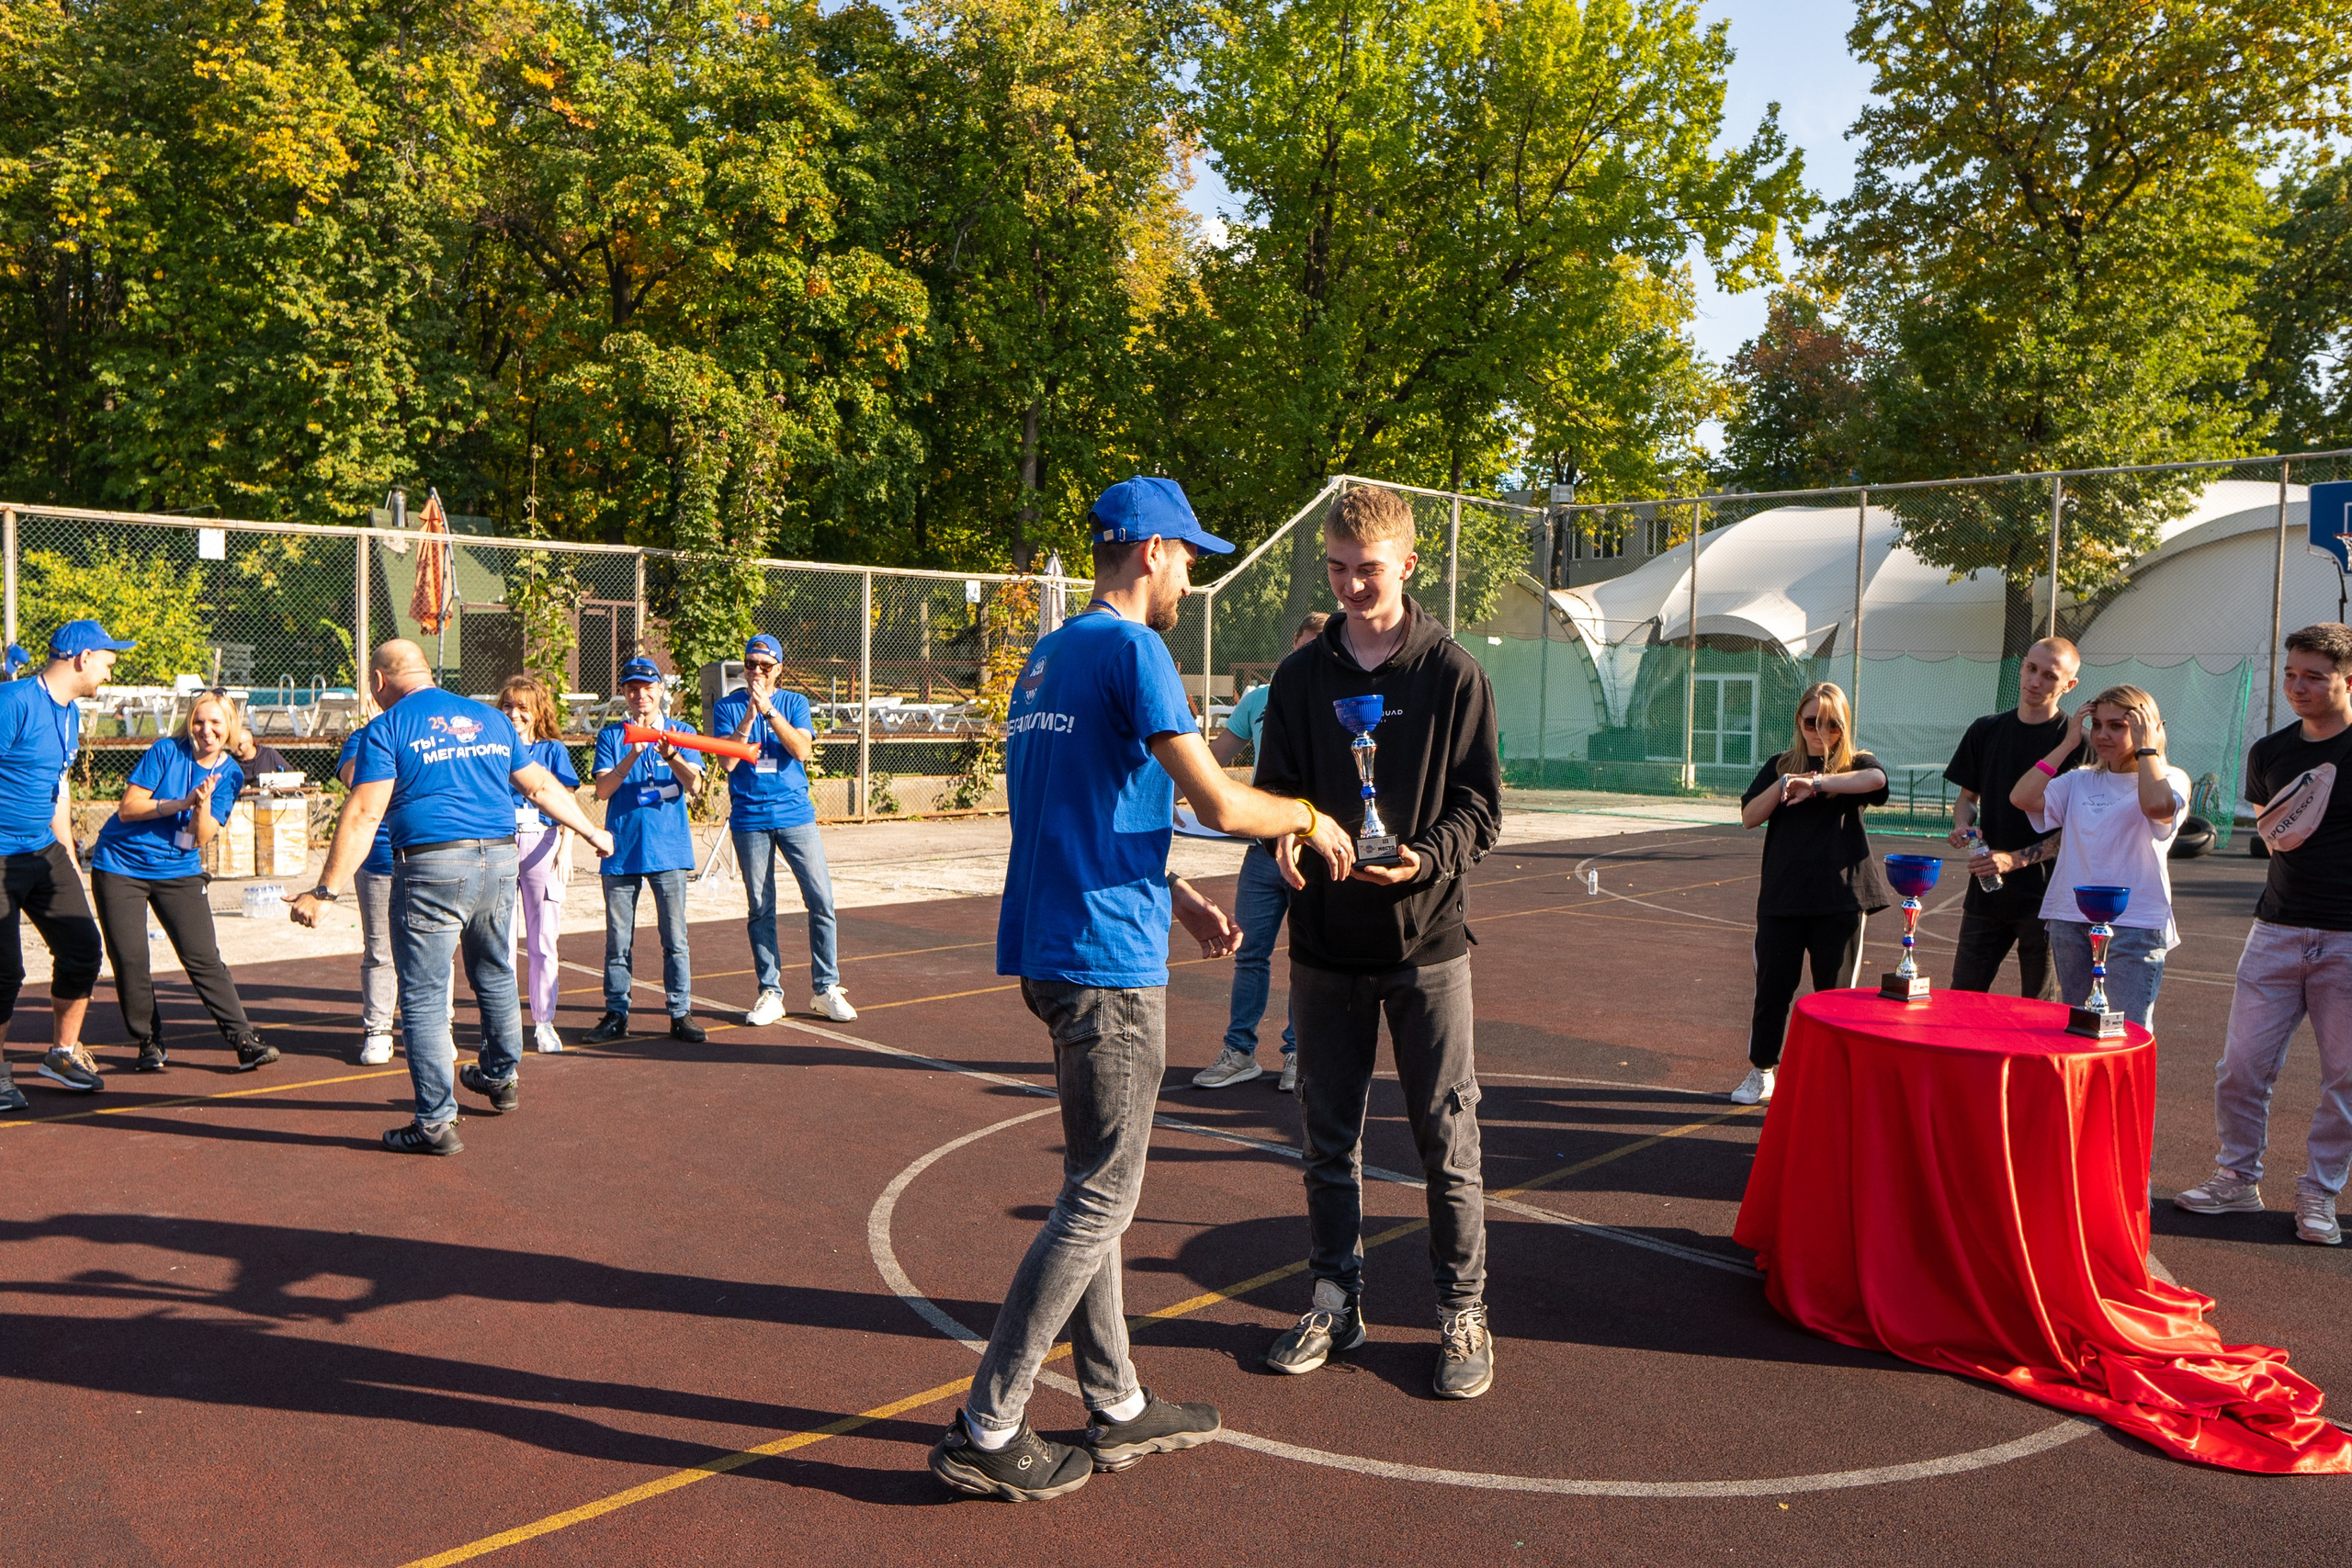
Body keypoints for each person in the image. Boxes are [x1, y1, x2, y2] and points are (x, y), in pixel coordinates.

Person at [928, 475, 1354, 1503]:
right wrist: (1307, 815)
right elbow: (1217, 799)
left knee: (1096, 1186)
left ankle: (1116, 1402)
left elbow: (1083, 811)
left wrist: (1180, 895)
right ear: (1153, 550)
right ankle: (987, 1425)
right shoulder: (1134, 651)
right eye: (1189, 557)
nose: (1191, 579)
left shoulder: (1050, 656)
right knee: (1100, 1197)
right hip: (1104, 961)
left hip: (1054, 944)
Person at [1251, 484, 1506, 1401]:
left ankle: (1462, 1311)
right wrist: (1282, 837)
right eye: (1336, 569)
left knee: (1447, 1138)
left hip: (1426, 945)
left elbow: (1481, 807)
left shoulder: (1453, 674)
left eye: (1367, 569)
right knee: (1327, 1137)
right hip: (1325, 945)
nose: (1351, 586)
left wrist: (1426, 856)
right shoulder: (1300, 678)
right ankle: (1335, 1298)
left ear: (1406, 563)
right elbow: (1275, 792)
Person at [288, 640, 613, 1154]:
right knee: (495, 973)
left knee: (422, 994)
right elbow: (540, 787)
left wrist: (325, 891)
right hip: (499, 860)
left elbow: (365, 813)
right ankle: (501, 1076)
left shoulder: (388, 727)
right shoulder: (490, 719)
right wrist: (592, 831)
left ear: (379, 682)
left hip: (431, 867)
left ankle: (435, 1122)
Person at [2176, 623, 2352, 1247]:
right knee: (2241, 1069)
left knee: (2345, 1080)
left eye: (2315, 677)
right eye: (2291, 674)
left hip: (2348, 940)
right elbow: (2276, 836)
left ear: (2348, 681)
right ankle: (2236, 1178)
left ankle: (2320, 1191)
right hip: (2275, 929)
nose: (2298, 686)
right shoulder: (2270, 752)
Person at [87, 689, 277, 1073]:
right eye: (199, 722)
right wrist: (180, 803)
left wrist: (201, 805)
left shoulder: (231, 773)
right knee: (130, 958)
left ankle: (243, 1039)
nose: (206, 730)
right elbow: (128, 808)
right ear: (190, 723)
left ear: (229, 727)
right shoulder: (166, 751)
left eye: (215, 723)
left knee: (203, 957)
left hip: (178, 869)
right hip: (120, 864)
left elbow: (199, 836)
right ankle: (148, 1041)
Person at [1731, 682, 1891, 1107]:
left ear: (1844, 725)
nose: (1820, 732)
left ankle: (1832, 1079)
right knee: (1771, 991)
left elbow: (1877, 780)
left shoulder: (1855, 764)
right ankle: (1762, 1071)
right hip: (1782, 899)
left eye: (1831, 724)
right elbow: (1749, 817)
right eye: (1811, 722)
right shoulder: (1779, 765)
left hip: (1840, 900)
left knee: (1834, 999)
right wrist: (1786, 782)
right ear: (1798, 721)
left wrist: (1817, 784)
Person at [1193, 610, 1331, 1094]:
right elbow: (1213, 760)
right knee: (1249, 951)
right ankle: (1240, 1052)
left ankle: (1298, 1052)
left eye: (1320, 648)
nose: (1310, 656)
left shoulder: (1336, 697)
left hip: (1313, 851)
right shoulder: (1259, 699)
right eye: (1305, 646)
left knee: (1306, 956)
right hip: (1262, 849)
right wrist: (1167, 794)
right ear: (1293, 646)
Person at [0, 620, 132, 1104]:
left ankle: (61, 1053)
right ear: (82, 658)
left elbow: (58, 787)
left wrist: (68, 857)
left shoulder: (70, 712)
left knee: (83, 950)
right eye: (107, 662)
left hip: (43, 850)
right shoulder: (12, 703)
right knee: (5, 972)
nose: (109, 673)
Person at [2008, 685, 2188, 1032]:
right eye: (2097, 725)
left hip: (2134, 923)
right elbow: (2022, 797)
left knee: (2127, 1031)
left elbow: (2156, 806)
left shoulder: (2170, 778)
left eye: (2117, 726)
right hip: (2070, 916)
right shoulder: (2081, 779)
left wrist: (2147, 747)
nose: (2103, 735)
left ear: (2147, 727)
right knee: (2079, 1026)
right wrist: (2067, 744)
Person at [711, 633, 854, 1026]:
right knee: (761, 907)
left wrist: (770, 711)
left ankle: (826, 988)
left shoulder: (794, 703)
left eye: (765, 665)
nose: (756, 671)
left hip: (795, 815)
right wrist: (748, 716)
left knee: (821, 899)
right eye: (750, 664)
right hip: (750, 819)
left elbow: (802, 750)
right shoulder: (726, 707)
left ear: (778, 669)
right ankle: (770, 992)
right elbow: (727, 763)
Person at [1944, 637, 2082, 997]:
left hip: (2047, 898)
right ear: (2021, 667)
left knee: (2038, 1006)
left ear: (2069, 685)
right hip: (1987, 889)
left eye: (2049, 676)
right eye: (2031, 669)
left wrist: (2016, 859)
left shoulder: (2077, 743)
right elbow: (1967, 798)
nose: (2035, 681)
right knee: (1962, 997)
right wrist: (1963, 825)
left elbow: (2078, 828)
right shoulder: (1986, 729)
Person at [582, 658, 707, 1044]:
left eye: (648, 688)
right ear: (624, 693)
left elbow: (695, 786)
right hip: (622, 850)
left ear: (660, 690)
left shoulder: (682, 732)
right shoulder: (612, 736)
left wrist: (670, 755)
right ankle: (616, 1013)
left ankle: (680, 1012)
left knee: (675, 938)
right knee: (618, 940)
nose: (641, 695)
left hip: (669, 851)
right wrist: (634, 752)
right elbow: (603, 790)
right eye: (633, 689)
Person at [495, 675, 581, 1054]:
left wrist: (567, 848)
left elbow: (567, 802)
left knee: (543, 938)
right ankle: (504, 1023)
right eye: (507, 706)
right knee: (501, 940)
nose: (514, 714)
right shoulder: (492, 747)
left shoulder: (552, 750)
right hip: (500, 844)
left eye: (522, 708)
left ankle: (543, 1022)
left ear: (537, 712)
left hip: (542, 843)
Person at [336, 716, 401, 1065]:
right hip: (376, 860)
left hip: (425, 858)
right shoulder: (362, 738)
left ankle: (441, 1027)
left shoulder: (427, 734)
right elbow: (353, 778)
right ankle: (378, 1030)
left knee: (436, 952)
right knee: (379, 948)